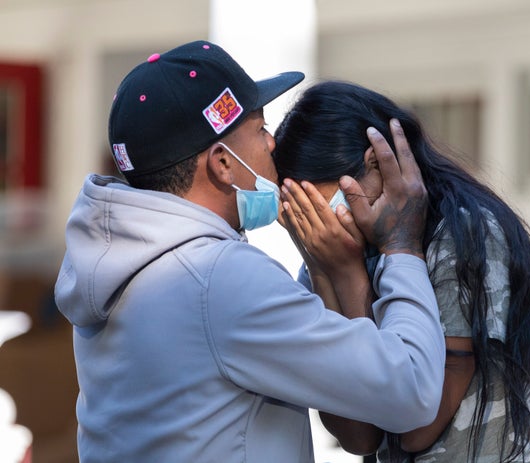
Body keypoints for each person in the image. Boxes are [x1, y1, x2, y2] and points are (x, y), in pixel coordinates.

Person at [53, 41, 447, 463]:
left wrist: (324, 270)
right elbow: (411, 390)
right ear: (222, 163)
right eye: (260, 130)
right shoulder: (219, 278)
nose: (274, 144)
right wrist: (401, 246)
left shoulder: (116, 264)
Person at [273, 80, 530, 463]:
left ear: (377, 163)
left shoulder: (464, 233)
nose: (324, 226)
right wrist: (323, 273)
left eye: (329, 204)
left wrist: (353, 277)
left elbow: (414, 429)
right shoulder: (332, 252)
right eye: (305, 213)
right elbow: (359, 437)